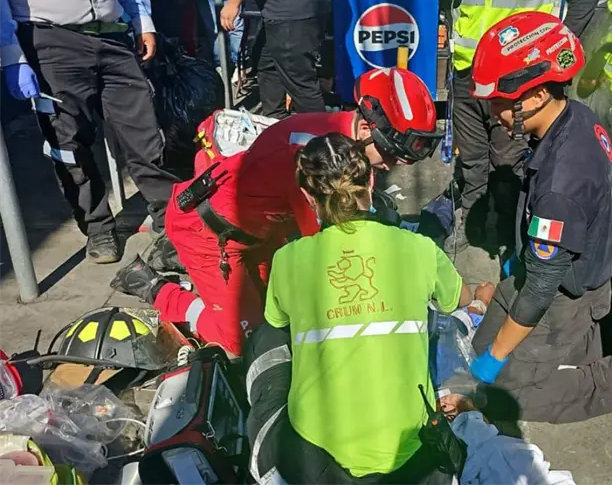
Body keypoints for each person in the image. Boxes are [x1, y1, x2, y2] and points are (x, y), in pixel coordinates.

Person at [110, 68, 444, 356]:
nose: (389, 167)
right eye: (389, 155)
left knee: (278, 318)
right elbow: (330, 251)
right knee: (242, 342)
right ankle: (157, 288)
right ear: (367, 130)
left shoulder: (344, 146)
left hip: (262, 231)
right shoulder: (313, 161)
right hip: (212, 236)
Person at [244, 132, 472, 484]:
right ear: (370, 180)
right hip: (409, 447)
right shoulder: (419, 248)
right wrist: (480, 296)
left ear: (307, 196)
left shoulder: (287, 260)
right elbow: (456, 299)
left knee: (265, 336)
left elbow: (277, 321)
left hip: (318, 454)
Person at [467, 11, 612, 423]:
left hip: (566, 293)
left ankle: (597, 381)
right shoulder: (575, 117)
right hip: (557, 262)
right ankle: (562, 345)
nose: (493, 112)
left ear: (535, 96)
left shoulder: (560, 186)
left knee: (496, 396)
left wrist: (497, 358)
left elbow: (540, 289)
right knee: (478, 348)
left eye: (499, 101)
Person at [0, 0, 180, 263]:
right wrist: (11, 53)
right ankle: (98, 226)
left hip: (112, 33)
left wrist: (142, 19)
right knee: (69, 145)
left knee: (146, 133)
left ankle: (171, 220)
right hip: (48, 40)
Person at [432, 0, 601, 254]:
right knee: (471, 160)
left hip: (516, 83)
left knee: (508, 164)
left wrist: (553, 49)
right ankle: (473, 223)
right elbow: (452, 1)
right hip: (468, 72)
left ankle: (509, 236)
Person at [219, 0, 333, 119]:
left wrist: (233, 2)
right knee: (266, 63)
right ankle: (276, 124)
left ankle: (323, 142)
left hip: (289, 6)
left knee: (300, 83)